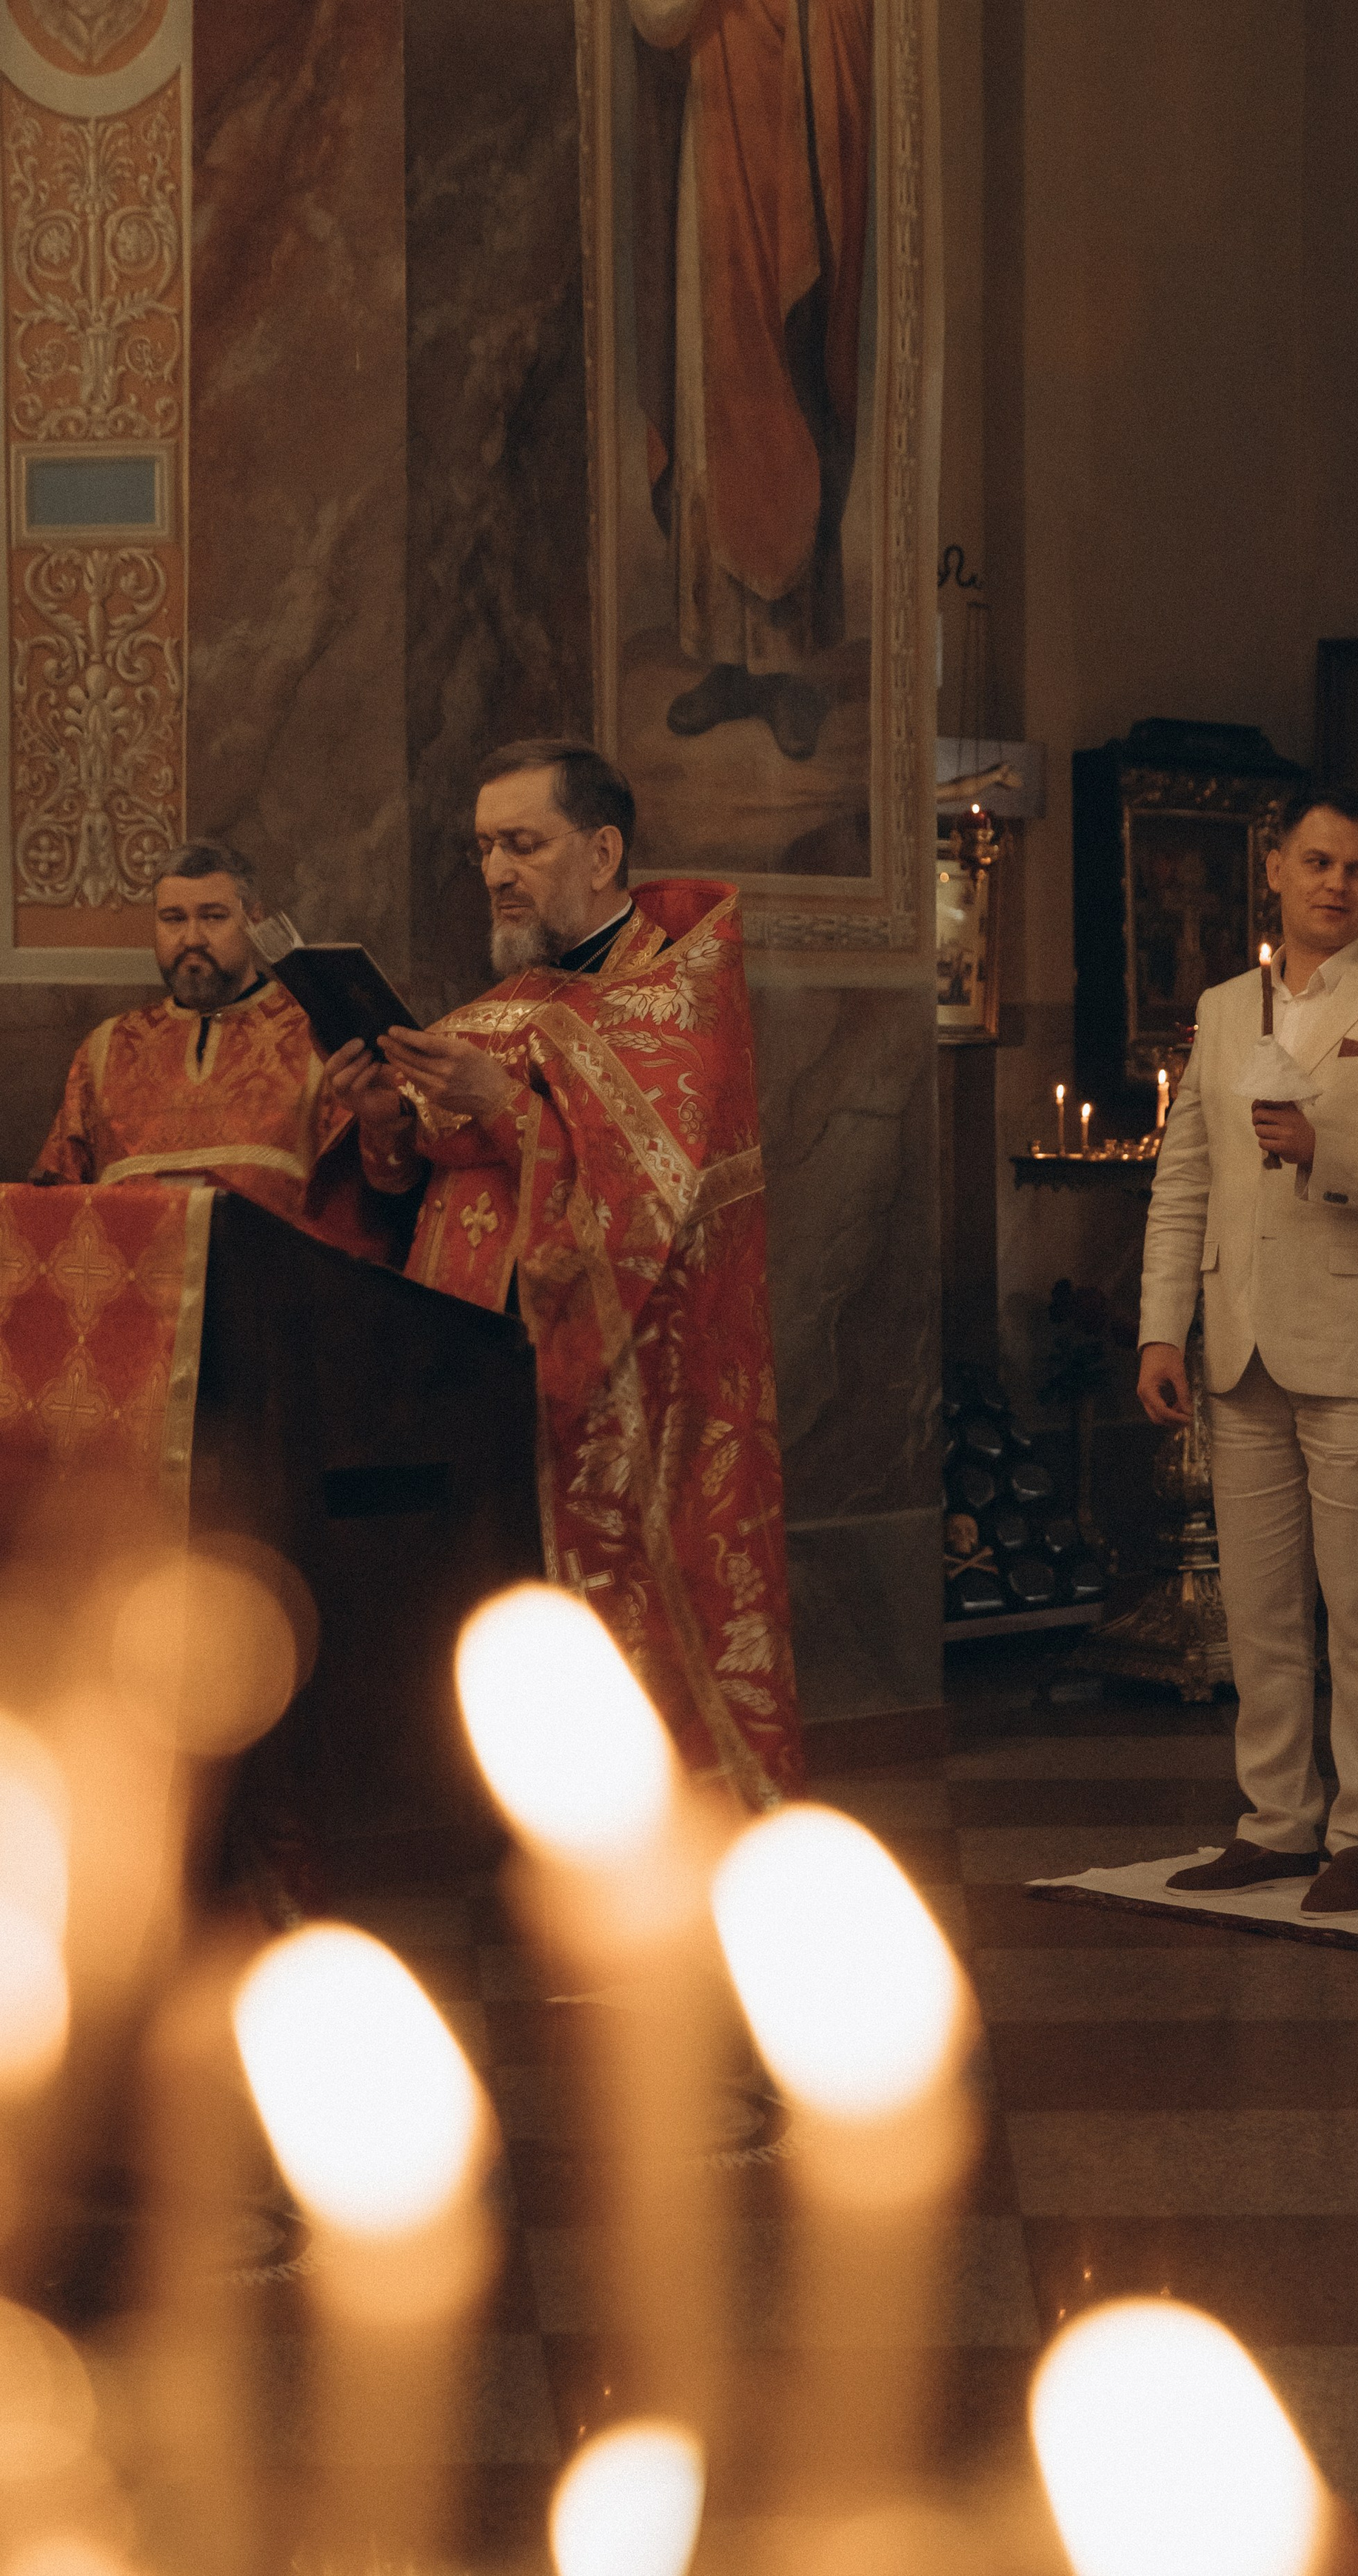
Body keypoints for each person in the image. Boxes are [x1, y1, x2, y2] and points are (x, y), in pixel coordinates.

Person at [329, 739, 802, 1806]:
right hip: (489, 1369)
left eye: (523, 843)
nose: (496, 870)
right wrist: (381, 1125)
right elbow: (421, 1184)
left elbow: (649, 1192)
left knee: (638, 1617)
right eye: (484, 848)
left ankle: (671, 1845)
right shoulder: (509, 1000)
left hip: (642, 1383)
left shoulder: (677, 997)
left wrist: (501, 1109)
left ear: (602, 850)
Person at [1137, 790, 1358, 1916]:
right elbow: (1185, 1178)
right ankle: (1276, 1819)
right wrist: (1158, 1328)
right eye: (1319, 863)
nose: (1338, 885)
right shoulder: (1226, 1008)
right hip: (1238, 1344)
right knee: (1263, 1608)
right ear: (1274, 869)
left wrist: (1332, 1150)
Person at [624, 0, 872, 766]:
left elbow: (856, 3)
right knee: (717, 386)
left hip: (799, 177)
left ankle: (792, 666)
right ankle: (722, 656)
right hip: (715, 173)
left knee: (794, 381)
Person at [31, 840, 404, 1264]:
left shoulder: (317, 1033)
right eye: (173, 919)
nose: (192, 938)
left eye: (213, 917)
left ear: (254, 919)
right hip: (141, 1303)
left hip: (276, 1301)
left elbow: (373, 1195)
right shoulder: (105, 1048)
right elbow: (53, 1208)